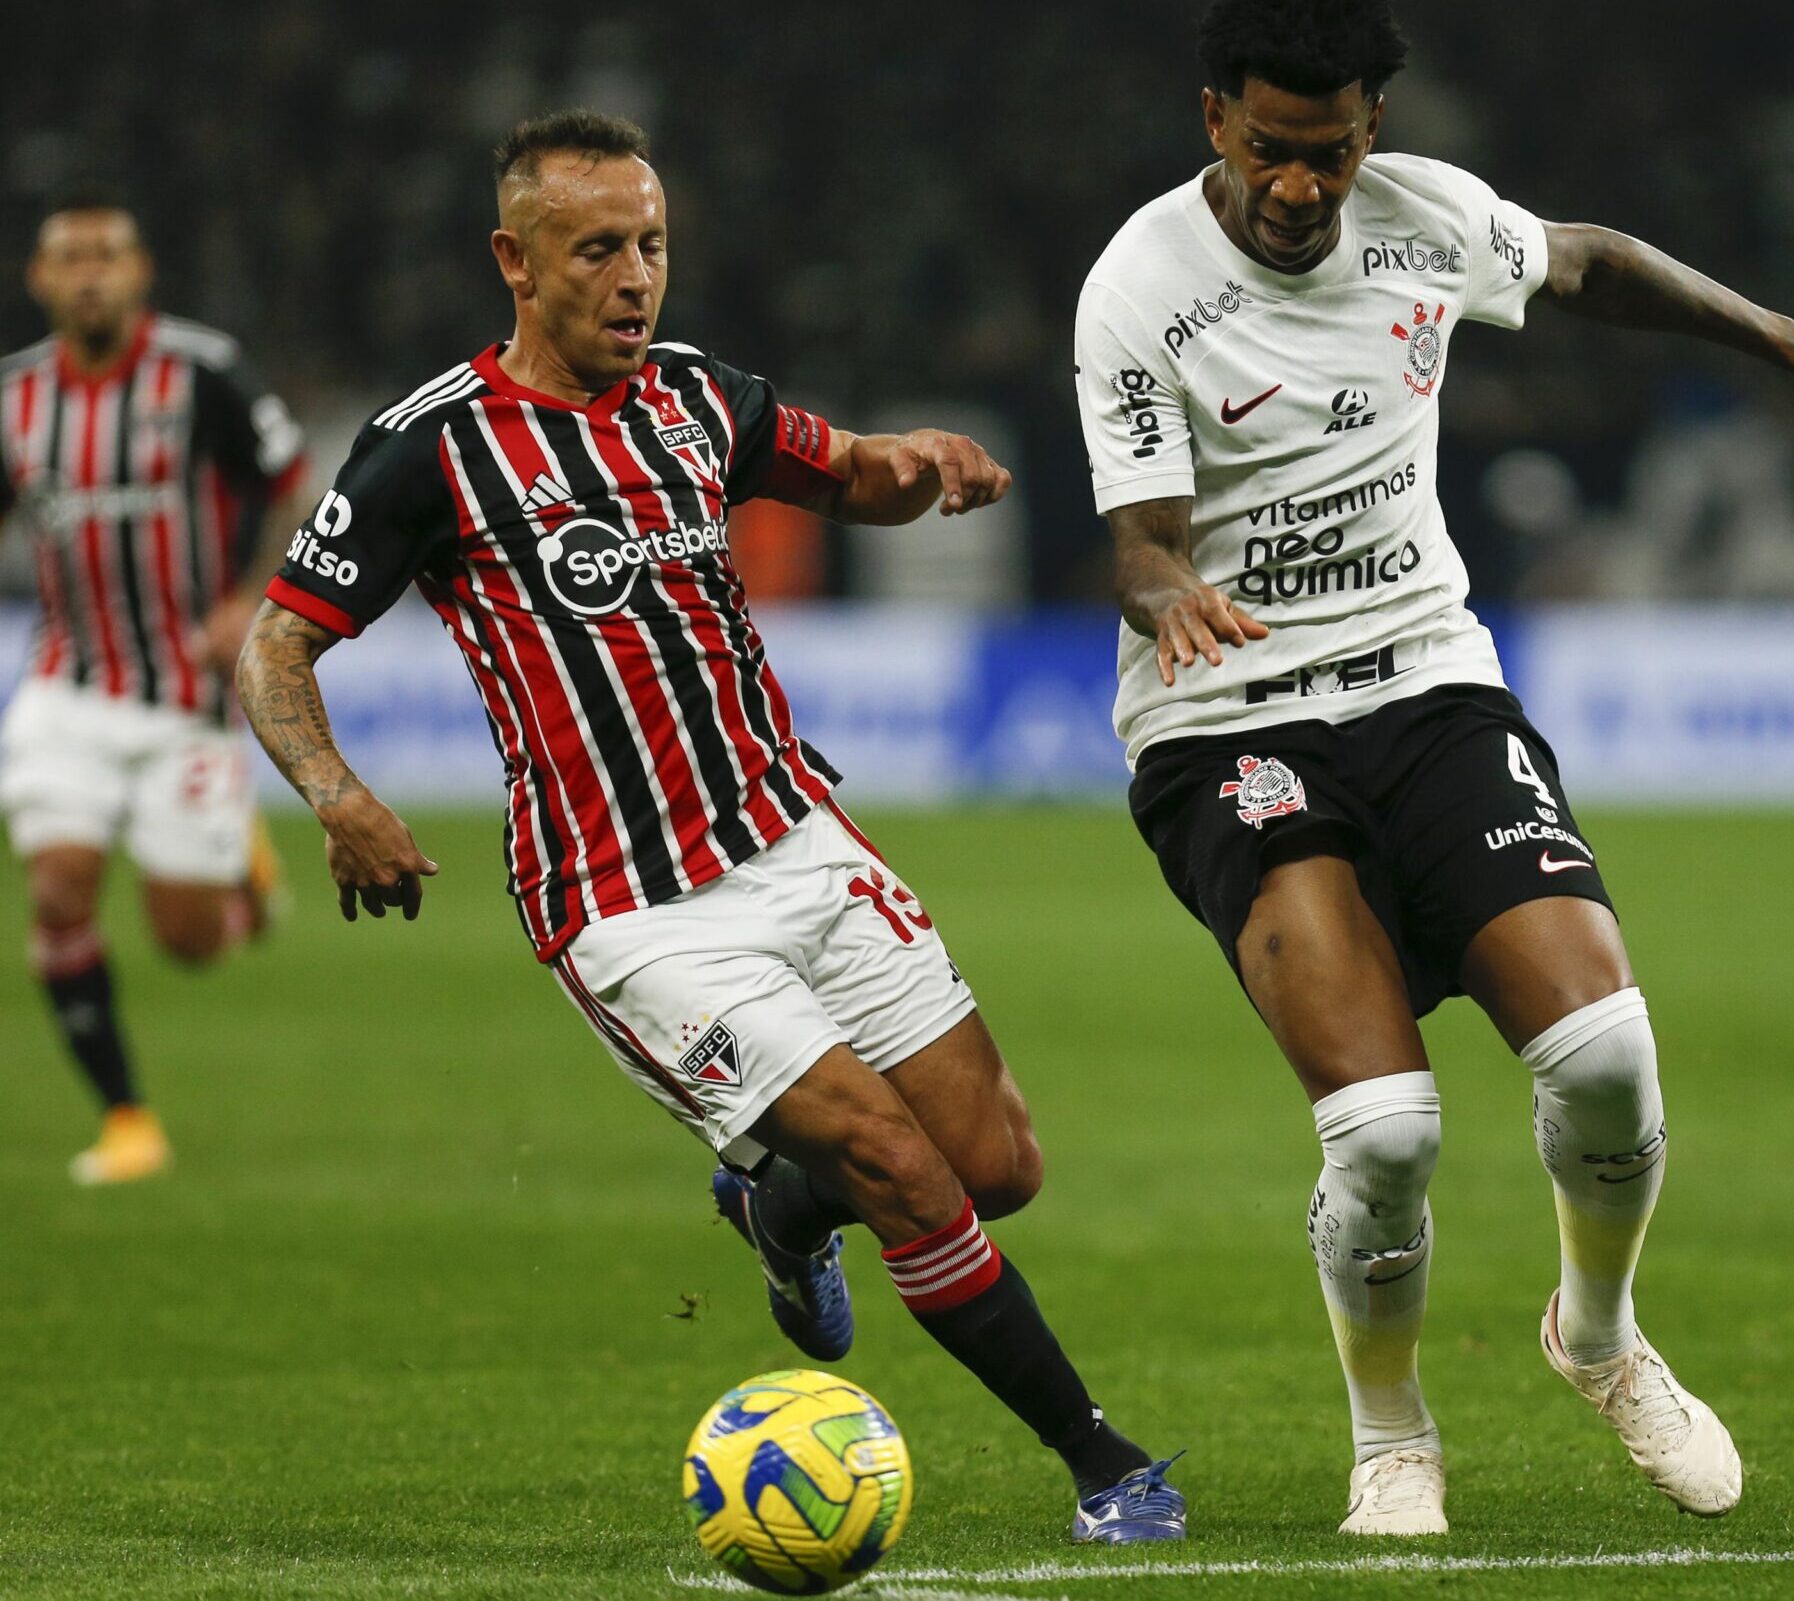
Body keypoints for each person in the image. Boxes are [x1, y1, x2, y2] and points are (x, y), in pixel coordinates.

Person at [234, 110, 1183, 1543]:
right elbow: (275, 649)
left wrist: (917, 460)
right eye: (598, 249)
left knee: (995, 1165)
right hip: (631, 911)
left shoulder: (695, 397)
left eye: (653, 245)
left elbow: (839, 466)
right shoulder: (430, 450)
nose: (636, 278)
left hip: (792, 836)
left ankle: (785, 1212)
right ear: (515, 259)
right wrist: (340, 795)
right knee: (907, 1171)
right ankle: (1105, 1460)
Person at [1075, 0, 1794, 1534]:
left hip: (1427, 686)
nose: (1298, 188)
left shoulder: (1425, 222)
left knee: (1605, 1056)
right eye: (1271, 151)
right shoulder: (1140, 288)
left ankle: (1595, 1334)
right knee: (1387, 1130)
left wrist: (1789, 340)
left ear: (1370, 135)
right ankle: (1391, 1430)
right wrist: (1169, 598)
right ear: (1216, 120)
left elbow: (1589, 260)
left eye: (1329, 154)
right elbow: (1137, 546)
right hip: (1230, 723)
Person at [0, 192, 305, 1185]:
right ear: (40, 279)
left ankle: (243, 875)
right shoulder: (14, 397)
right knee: (59, 887)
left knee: (189, 943)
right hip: (67, 684)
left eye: (109, 253)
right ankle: (129, 1116)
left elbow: (286, 477)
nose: (91, 271)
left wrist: (250, 601)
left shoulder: (201, 371)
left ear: (141, 274)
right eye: (70, 256)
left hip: (185, 691)